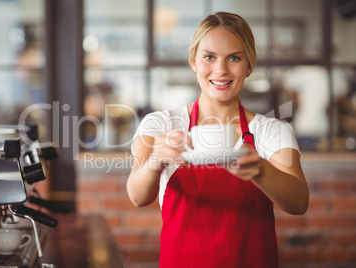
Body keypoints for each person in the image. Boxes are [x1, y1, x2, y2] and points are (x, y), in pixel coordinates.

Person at [127, 12, 309, 268]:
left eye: (234, 58)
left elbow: (299, 203)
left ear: (249, 65)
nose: (220, 70)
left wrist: (259, 169)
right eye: (209, 57)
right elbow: (137, 196)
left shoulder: (271, 131)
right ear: (194, 62)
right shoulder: (161, 124)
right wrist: (156, 160)